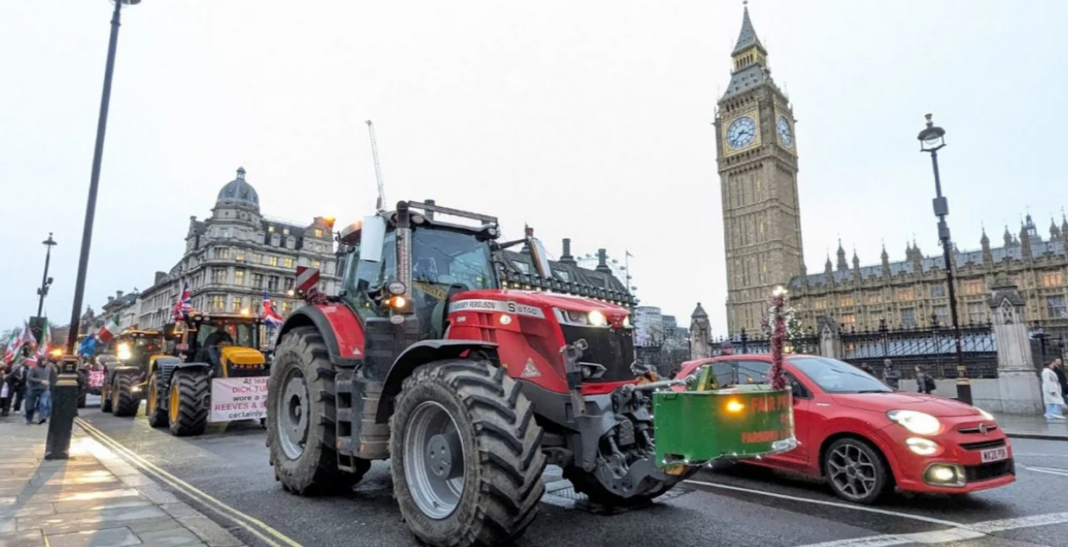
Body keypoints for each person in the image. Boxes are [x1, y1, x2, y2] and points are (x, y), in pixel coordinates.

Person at [24, 356, 54, 425]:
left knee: (43, 404)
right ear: (40, 361)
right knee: (29, 406)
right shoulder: (34, 368)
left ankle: (41, 419)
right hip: (33, 389)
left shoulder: (48, 369)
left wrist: (52, 385)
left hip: (44, 389)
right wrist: (40, 381)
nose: (45, 362)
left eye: (46, 360)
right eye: (44, 360)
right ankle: (29, 419)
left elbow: (52, 378)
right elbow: (29, 378)